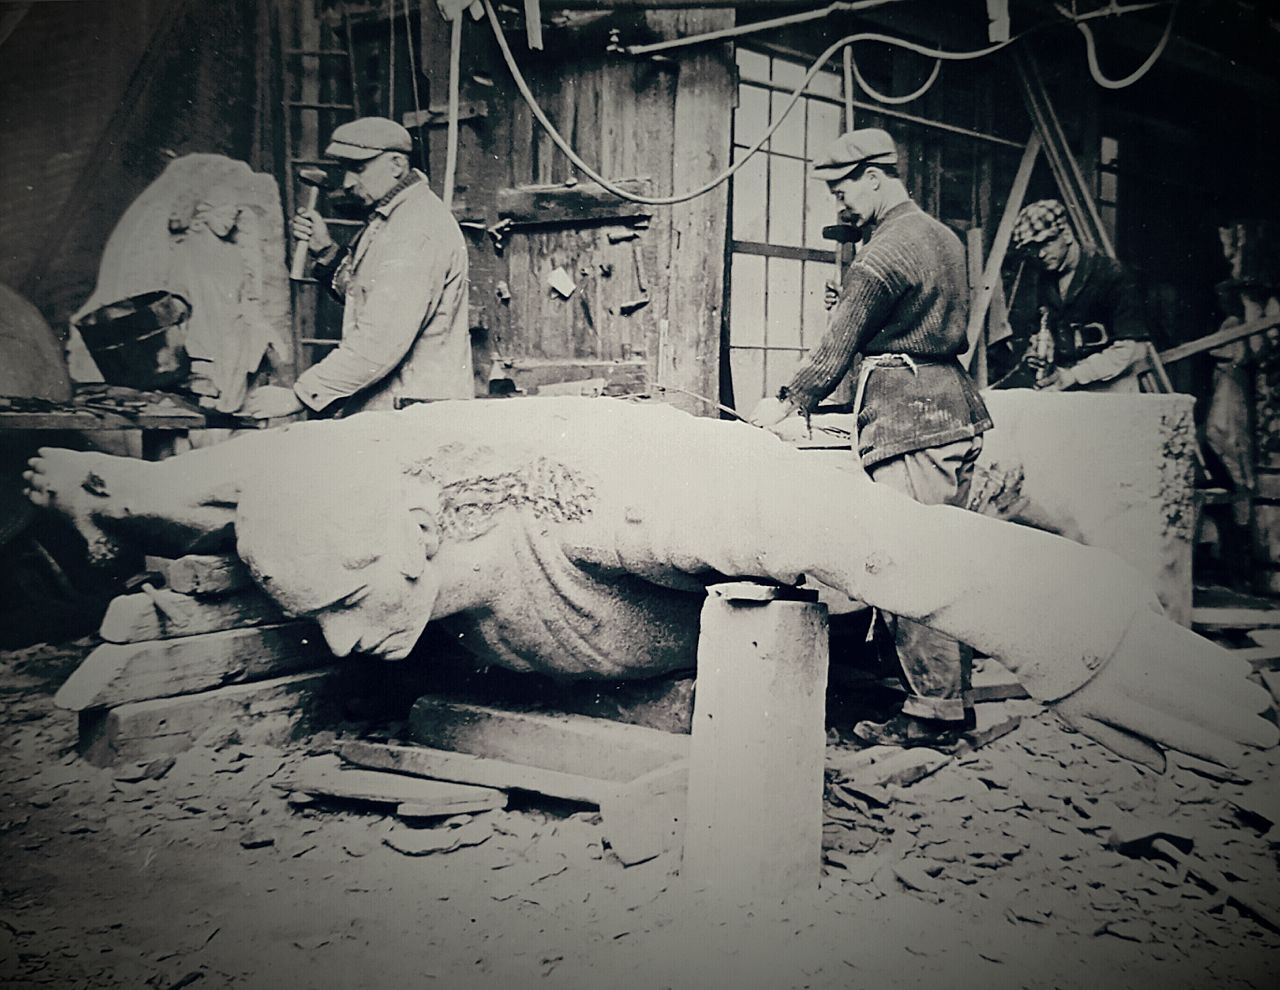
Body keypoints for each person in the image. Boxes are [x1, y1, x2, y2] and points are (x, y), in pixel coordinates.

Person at [22, 396, 1276, 773]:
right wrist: (98, 486)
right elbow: (236, 481)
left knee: (893, 542)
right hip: (442, 499)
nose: (349, 645)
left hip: (724, 517)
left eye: (361, 607)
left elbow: (931, 561)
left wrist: (1217, 719)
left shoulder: (633, 504)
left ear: (425, 538)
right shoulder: (343, 488)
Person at [750, 128, 992, 749]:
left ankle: (933, 717)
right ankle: (948, 702)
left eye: (842, 190)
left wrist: (786, 403)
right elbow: (923, 316)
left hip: (910, 419)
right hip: (952, 407)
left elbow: (837, 346)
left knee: (910, 568)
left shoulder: (883, 251)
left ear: (874, 177)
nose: (840, 205)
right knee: (943, 561)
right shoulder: (938, 236)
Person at [241, 116, 473, 419]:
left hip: (413, 413)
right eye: (346, 169)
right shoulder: (392, 219)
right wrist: (325, 250)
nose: (348, 182)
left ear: (396, 165)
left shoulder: (415, 230)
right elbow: (368, 296)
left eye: (359, 168)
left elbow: (380, 340)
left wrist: (301, 395)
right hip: (397, 407)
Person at [999, 199, 1149, 392]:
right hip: (1068, 384)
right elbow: (1041, 328)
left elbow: (1132, 350)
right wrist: (1039, 348)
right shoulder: (1044, 280)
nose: (1041, 254)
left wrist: (1073, 375)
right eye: (1033, 248)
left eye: (1047, 242)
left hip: (1112, 386)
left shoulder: (1111, 274)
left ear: (1067, 234)